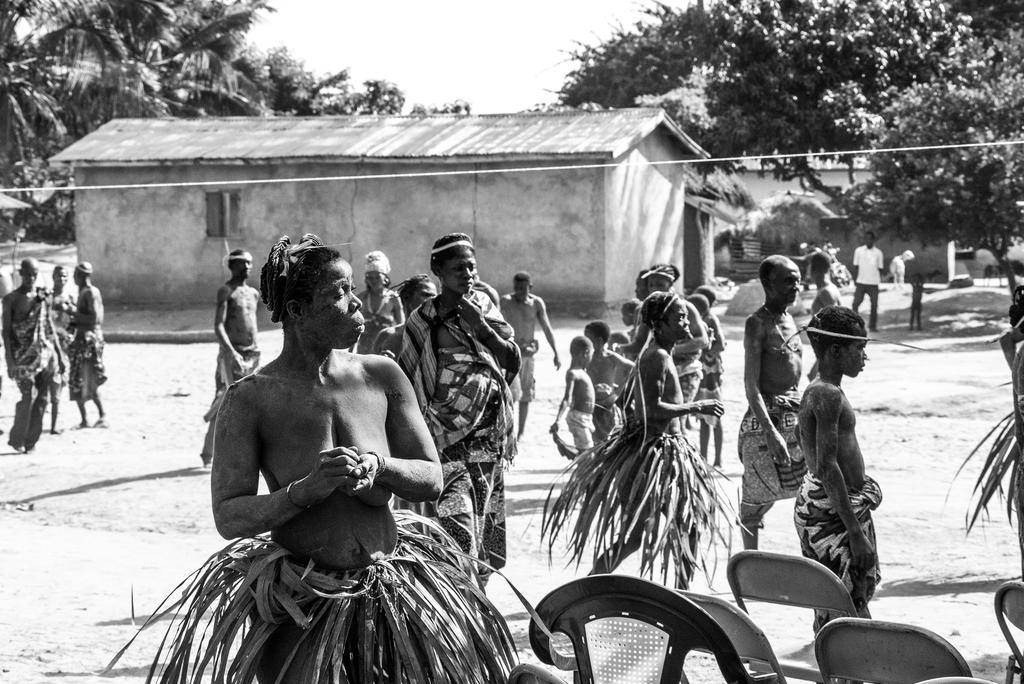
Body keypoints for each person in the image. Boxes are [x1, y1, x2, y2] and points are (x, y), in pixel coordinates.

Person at [122, 233, 515, 683]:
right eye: (339, 293)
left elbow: (431, 477)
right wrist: (304, 491)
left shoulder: (381, 375)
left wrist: (379, 466)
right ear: (296, 310)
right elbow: (229, 516)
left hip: (389, 593)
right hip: (302, 602)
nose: (356, 302)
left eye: (352, 289)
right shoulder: (250, 399)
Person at [543, 291, 727, 588]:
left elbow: (626, 400)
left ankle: (596, 586)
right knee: (681, 530)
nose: (686, 323)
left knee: (644, 536)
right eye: (679, 318)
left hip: (653, 453)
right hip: (656, 456)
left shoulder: (656, 354)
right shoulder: (657, 356)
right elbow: (650, 410)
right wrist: (697, 406)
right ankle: (678, 596)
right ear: (659, 323)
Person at [398, 233, 520, 580]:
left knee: (485, 539)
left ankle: (477, 603)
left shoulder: (484, 307)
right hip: (445, 442)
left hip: (487, 442)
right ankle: (460, 603)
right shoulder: (423, 320)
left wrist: (481, 327)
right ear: (438, 270)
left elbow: (511, 359)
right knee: (458, 536)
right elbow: (409, 380)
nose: (467, 274)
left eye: (471, 267)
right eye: (458, 268)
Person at [795, 305, 881, 629]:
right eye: (859, 348)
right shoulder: (827, 394)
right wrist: (855, 532)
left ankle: (839, 657)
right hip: (833, 514)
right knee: (844, 604)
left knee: (838, 602)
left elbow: (805, 442)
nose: (864, 357)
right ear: (835, 350)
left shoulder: (818, 390)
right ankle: (843, 660)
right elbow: (827, 467)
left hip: (832, 507)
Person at [738, 256, 806, 550]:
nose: (795, 287)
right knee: (753, 503)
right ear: (767, 283)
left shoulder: (791, 321)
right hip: (766, 420)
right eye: (788, 281)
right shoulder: (757, 324)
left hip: (796, 413)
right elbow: (750, 385)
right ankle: (749, 562)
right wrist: (770, 432)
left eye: (798, 281)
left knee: (816, 490)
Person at [200, 249, 261, 467]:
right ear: (232, 265)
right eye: (243, 263)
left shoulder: (253, 293)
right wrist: (231, 352)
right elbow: (219, 325)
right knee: (223, 401)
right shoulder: (226, 291)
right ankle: (208, 454)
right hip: (231, 355)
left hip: (252, 355)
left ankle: (247, 454)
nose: (247, 267)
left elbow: (252, 324)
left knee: (252, 403)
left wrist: (255, 350)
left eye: (250, 263)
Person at [2, 258, 61, 452]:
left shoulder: (41, 297)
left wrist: (59, 354)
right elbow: (6, 332)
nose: (31, 278)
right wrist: (10, 362)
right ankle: (17, 439)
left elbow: (49, 326)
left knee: (42, 398)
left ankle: (31, 442)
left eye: (34, 274)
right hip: (21, 357)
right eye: (27, 274)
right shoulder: (11, 299)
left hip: (43, 355)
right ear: (20, 274)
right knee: (28, 396)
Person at [500, 271, 561, 439]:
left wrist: (556, 352)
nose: (519, 291)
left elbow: (547, 328)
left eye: (523, 288)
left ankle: (520, 433)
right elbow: (497, 326)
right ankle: (507, 430)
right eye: (517, 288)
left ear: (530, 287)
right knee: (508, 394)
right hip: (510, 355)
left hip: (527, 356)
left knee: (526, 394)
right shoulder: (506, 301)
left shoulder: (536, 304)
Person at [67, 262, 107, 428]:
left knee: (88, 379)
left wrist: (71, 312)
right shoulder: (84, 292)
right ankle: (84, 419)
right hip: (82, 339)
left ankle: (102, 415)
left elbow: (93, 319)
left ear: (80, 276)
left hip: (88, 341)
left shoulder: (90, 292)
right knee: (78, 379)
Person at [689, 293, 725, 467]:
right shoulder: (700, 321)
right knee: (703, 416)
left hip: (711, 374)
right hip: (703, 373)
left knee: (715, 415)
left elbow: (721, 344)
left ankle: (717, 458)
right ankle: (703, 456)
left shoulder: (710, 320)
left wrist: (707, 352)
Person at [584, 321, 634, 443]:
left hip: (609, 406)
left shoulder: (611, 357)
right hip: (592, 405)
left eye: (588, 340)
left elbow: (633, 368)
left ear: (599, 341)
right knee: (594, 439)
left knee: (610, 438)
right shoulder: (587, 358)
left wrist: (620, 389)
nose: (585, 343)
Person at [372, 274, 437, 359]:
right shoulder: (386, 336)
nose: (432, 301)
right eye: (426, 295)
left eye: (434, 297)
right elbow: (370, 366)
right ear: (407, 297)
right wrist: (384, 363)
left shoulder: (438, 337)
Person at [551, 336, 595, 450]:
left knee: (586, 451)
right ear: (585, 353)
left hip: (586, 418)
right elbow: (567, 399)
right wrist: (558, 420)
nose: (591, 359)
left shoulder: (582, 372)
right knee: (587, 452)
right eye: (591, 355)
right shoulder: (573, 373)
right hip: (578, 418)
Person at [355, 250, 403, 354]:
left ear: (385, 278)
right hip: (363, 352)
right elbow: (352, 327)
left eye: (377, 277)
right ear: (366, 279)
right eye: (370, 277)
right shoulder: (361, 299)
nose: (374, 281)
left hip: (385, 350)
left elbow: (401, 327)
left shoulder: (393, 298)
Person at [806, 251, 843, 382]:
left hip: (828, 349)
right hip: (825, 349)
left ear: (814, 269)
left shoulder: (826, 292)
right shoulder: (828, 288)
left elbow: (837, 323)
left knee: (815, 380)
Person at [49, 265, 74, 435]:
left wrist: (70, 335)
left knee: (62, 377)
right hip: (50, 342)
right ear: (53, 277)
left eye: (65, 276)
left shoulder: (70, 298)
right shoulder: (48, 298)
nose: (62, 279)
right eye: (59, 276)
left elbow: (74, 320)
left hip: (64, 342)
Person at [852, 231, 885, 332]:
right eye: (866, 238)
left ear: (873, 240)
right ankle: (854, 326)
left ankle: (872, 326)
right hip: (861, 282)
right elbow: (856, 266)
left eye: (870, 238)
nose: (868, 240)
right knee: (855, 304)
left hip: (873, 283)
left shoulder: (878, 253)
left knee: (874, 306)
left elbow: (880, 268)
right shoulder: (858, 251)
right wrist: (856, 280)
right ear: (864, 239)